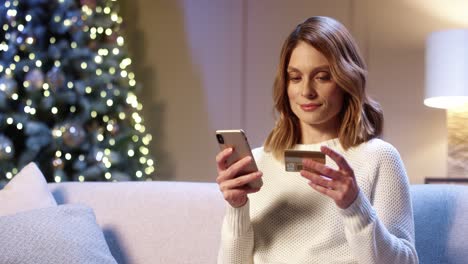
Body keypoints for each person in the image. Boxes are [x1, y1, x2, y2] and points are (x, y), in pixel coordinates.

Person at [215, 16, 419, 263]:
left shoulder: (379, 157)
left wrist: (355, 207)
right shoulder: (256, 163)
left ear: (346, 80)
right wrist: (237, 208)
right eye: (295, 77)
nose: (306, 91)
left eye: (322, 77)